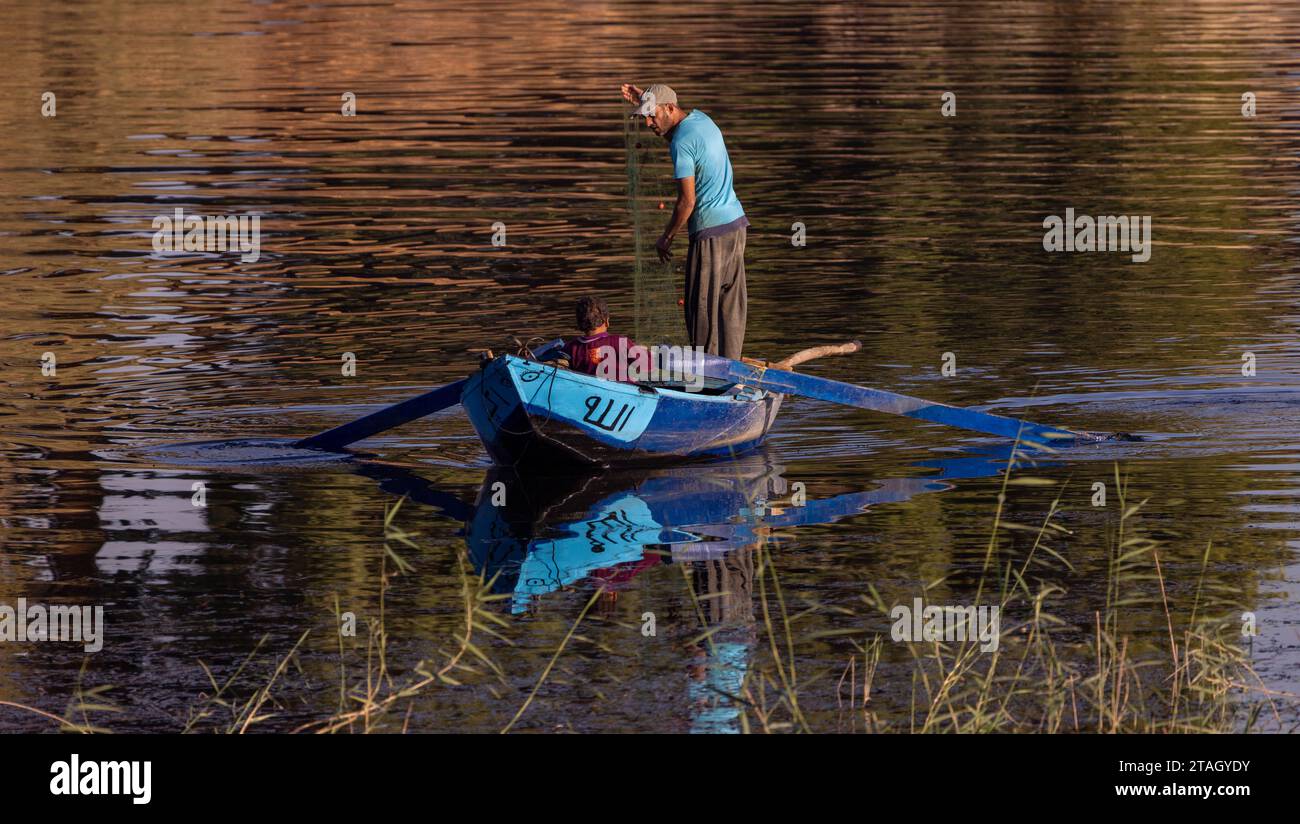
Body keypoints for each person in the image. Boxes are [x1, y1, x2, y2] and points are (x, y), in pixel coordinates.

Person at [621, 82, 748, 359]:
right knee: (729, 306)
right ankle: (733, 370)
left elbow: (687, 202)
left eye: (652, 115)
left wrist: (666, 237)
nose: (649, 123)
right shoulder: (701, 120)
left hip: (710, 231)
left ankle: (709, 376)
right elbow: (676, 131)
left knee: (700, 308)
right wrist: (644, 98)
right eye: (646, 117)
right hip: (736, 225)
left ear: (670, 108)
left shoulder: (681, 143)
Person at [558, 297, 646, 384]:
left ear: (579, 324)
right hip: (623, 392)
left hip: (588, 391)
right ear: (606, 320)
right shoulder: (619, 342)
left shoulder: (570, 347)